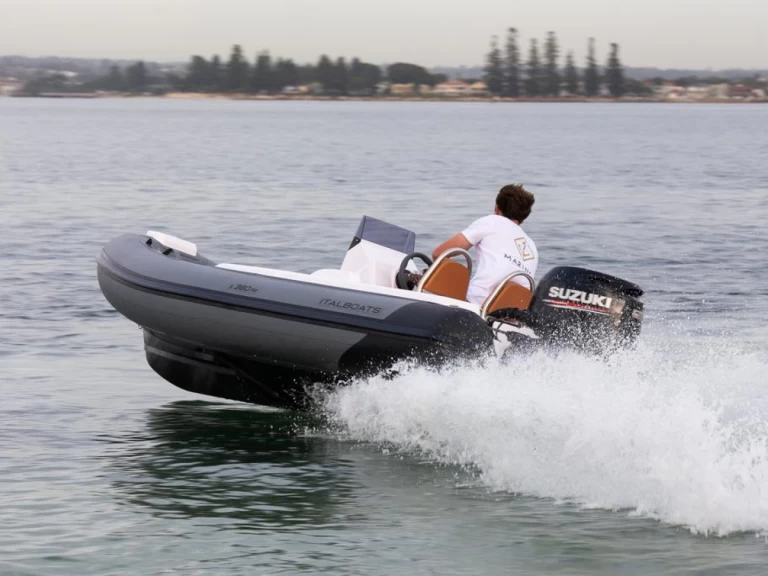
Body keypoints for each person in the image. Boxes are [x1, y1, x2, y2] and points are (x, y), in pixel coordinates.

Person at [432, 184, 538, 305]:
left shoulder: (491, 221)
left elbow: (439, 253)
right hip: (510, 312)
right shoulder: (531, 246)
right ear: (524, 216)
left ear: (496, 208)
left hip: (476, 304)